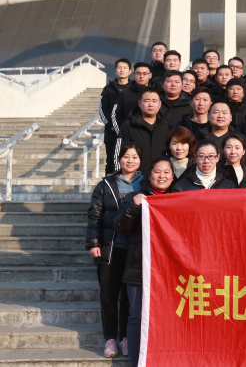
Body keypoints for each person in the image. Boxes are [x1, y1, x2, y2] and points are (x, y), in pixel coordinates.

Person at [112, 157, 175, 367]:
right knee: (136, 316)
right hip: (138, 267)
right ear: (149, 175)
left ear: (173, 176)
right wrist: (133, 207)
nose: (162, 176)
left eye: (166, 172)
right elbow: (119, 225)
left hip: (169, 269)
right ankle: (135, 360)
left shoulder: (179, 198)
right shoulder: (136, 197)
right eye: (157, 171)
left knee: (168, 316)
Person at [87, 143, 144, 359]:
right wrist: (93, 243)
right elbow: (94, 216)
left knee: (130, 298)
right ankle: (110, 338)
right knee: (109, 295)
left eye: (134, 157)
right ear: (119, 159)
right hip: (110, 248)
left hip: (135, 249)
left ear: (140, 160)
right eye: (126, 156)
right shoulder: (105, 185)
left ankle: (126, 338)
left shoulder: (145, 183)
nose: (130, 161)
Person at [114, 87, 172, 176]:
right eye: (146, 101)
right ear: (139, 103)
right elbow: (118, 153)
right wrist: (121, 177)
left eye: (154, 101)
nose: (151, 104)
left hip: (160, 178)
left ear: (160, 104)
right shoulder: (128, 125)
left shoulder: (167, 126)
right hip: (134, 178)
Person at [100, 58, 132, 174]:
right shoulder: (108, 89)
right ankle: (109, 183)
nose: (121, 70)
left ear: (130, 71)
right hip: (112, 133)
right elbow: (103, 109)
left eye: (125, 68)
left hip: (131, 131)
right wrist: (112, 124)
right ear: (115, 71)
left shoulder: (134, 88)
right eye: (119, 68)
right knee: (111, 162)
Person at [112, 62, 163, 135]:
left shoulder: (157, 94)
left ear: (150, 75)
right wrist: (122, 133)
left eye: (145, 74)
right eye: (138, 73)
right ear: (133, 75)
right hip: (129, 135)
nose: (141, 76)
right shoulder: (124, 94)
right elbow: (115, 115)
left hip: (153, 135)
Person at [171, 140, 237, 191]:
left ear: (218, 158)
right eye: (202, 156)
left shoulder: (229, 185)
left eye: (211, 156)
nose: (206, 161)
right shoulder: (182, 185)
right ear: (195, 158)